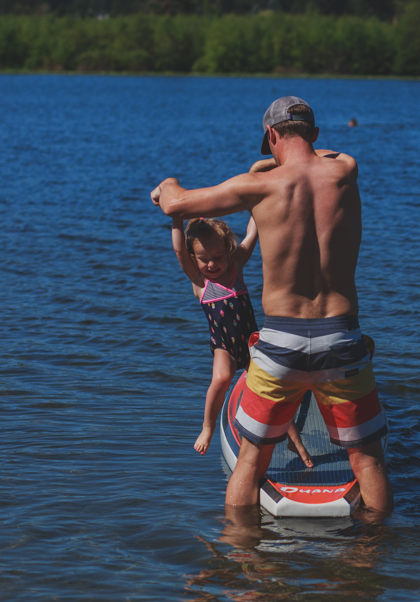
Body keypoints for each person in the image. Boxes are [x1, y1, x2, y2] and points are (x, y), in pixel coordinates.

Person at [152, 96, 393, 513]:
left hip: (281, 342)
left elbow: (175, 203)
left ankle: (244, 563)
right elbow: (332, 154)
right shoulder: (345, 171)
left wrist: (167, 184)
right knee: (368, 462)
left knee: (251, 460)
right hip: (342, 337)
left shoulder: (259, 187)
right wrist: (300, 151)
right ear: (315, 135)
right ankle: (369, 562)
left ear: (270, 134)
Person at [170, 214, 312, 467]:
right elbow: (179, 249)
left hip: (252, 343)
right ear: (194, 259)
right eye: (204, 259)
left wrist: (256, 205)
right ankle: (207, 427)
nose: (212, 264)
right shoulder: (200, 281)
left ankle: (295, 441)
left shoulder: (236, 268)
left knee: (272, 391)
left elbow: (252, 235)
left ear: (229, 252)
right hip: (223, 345)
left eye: (218, 257)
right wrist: (176, 220)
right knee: (222, 378)